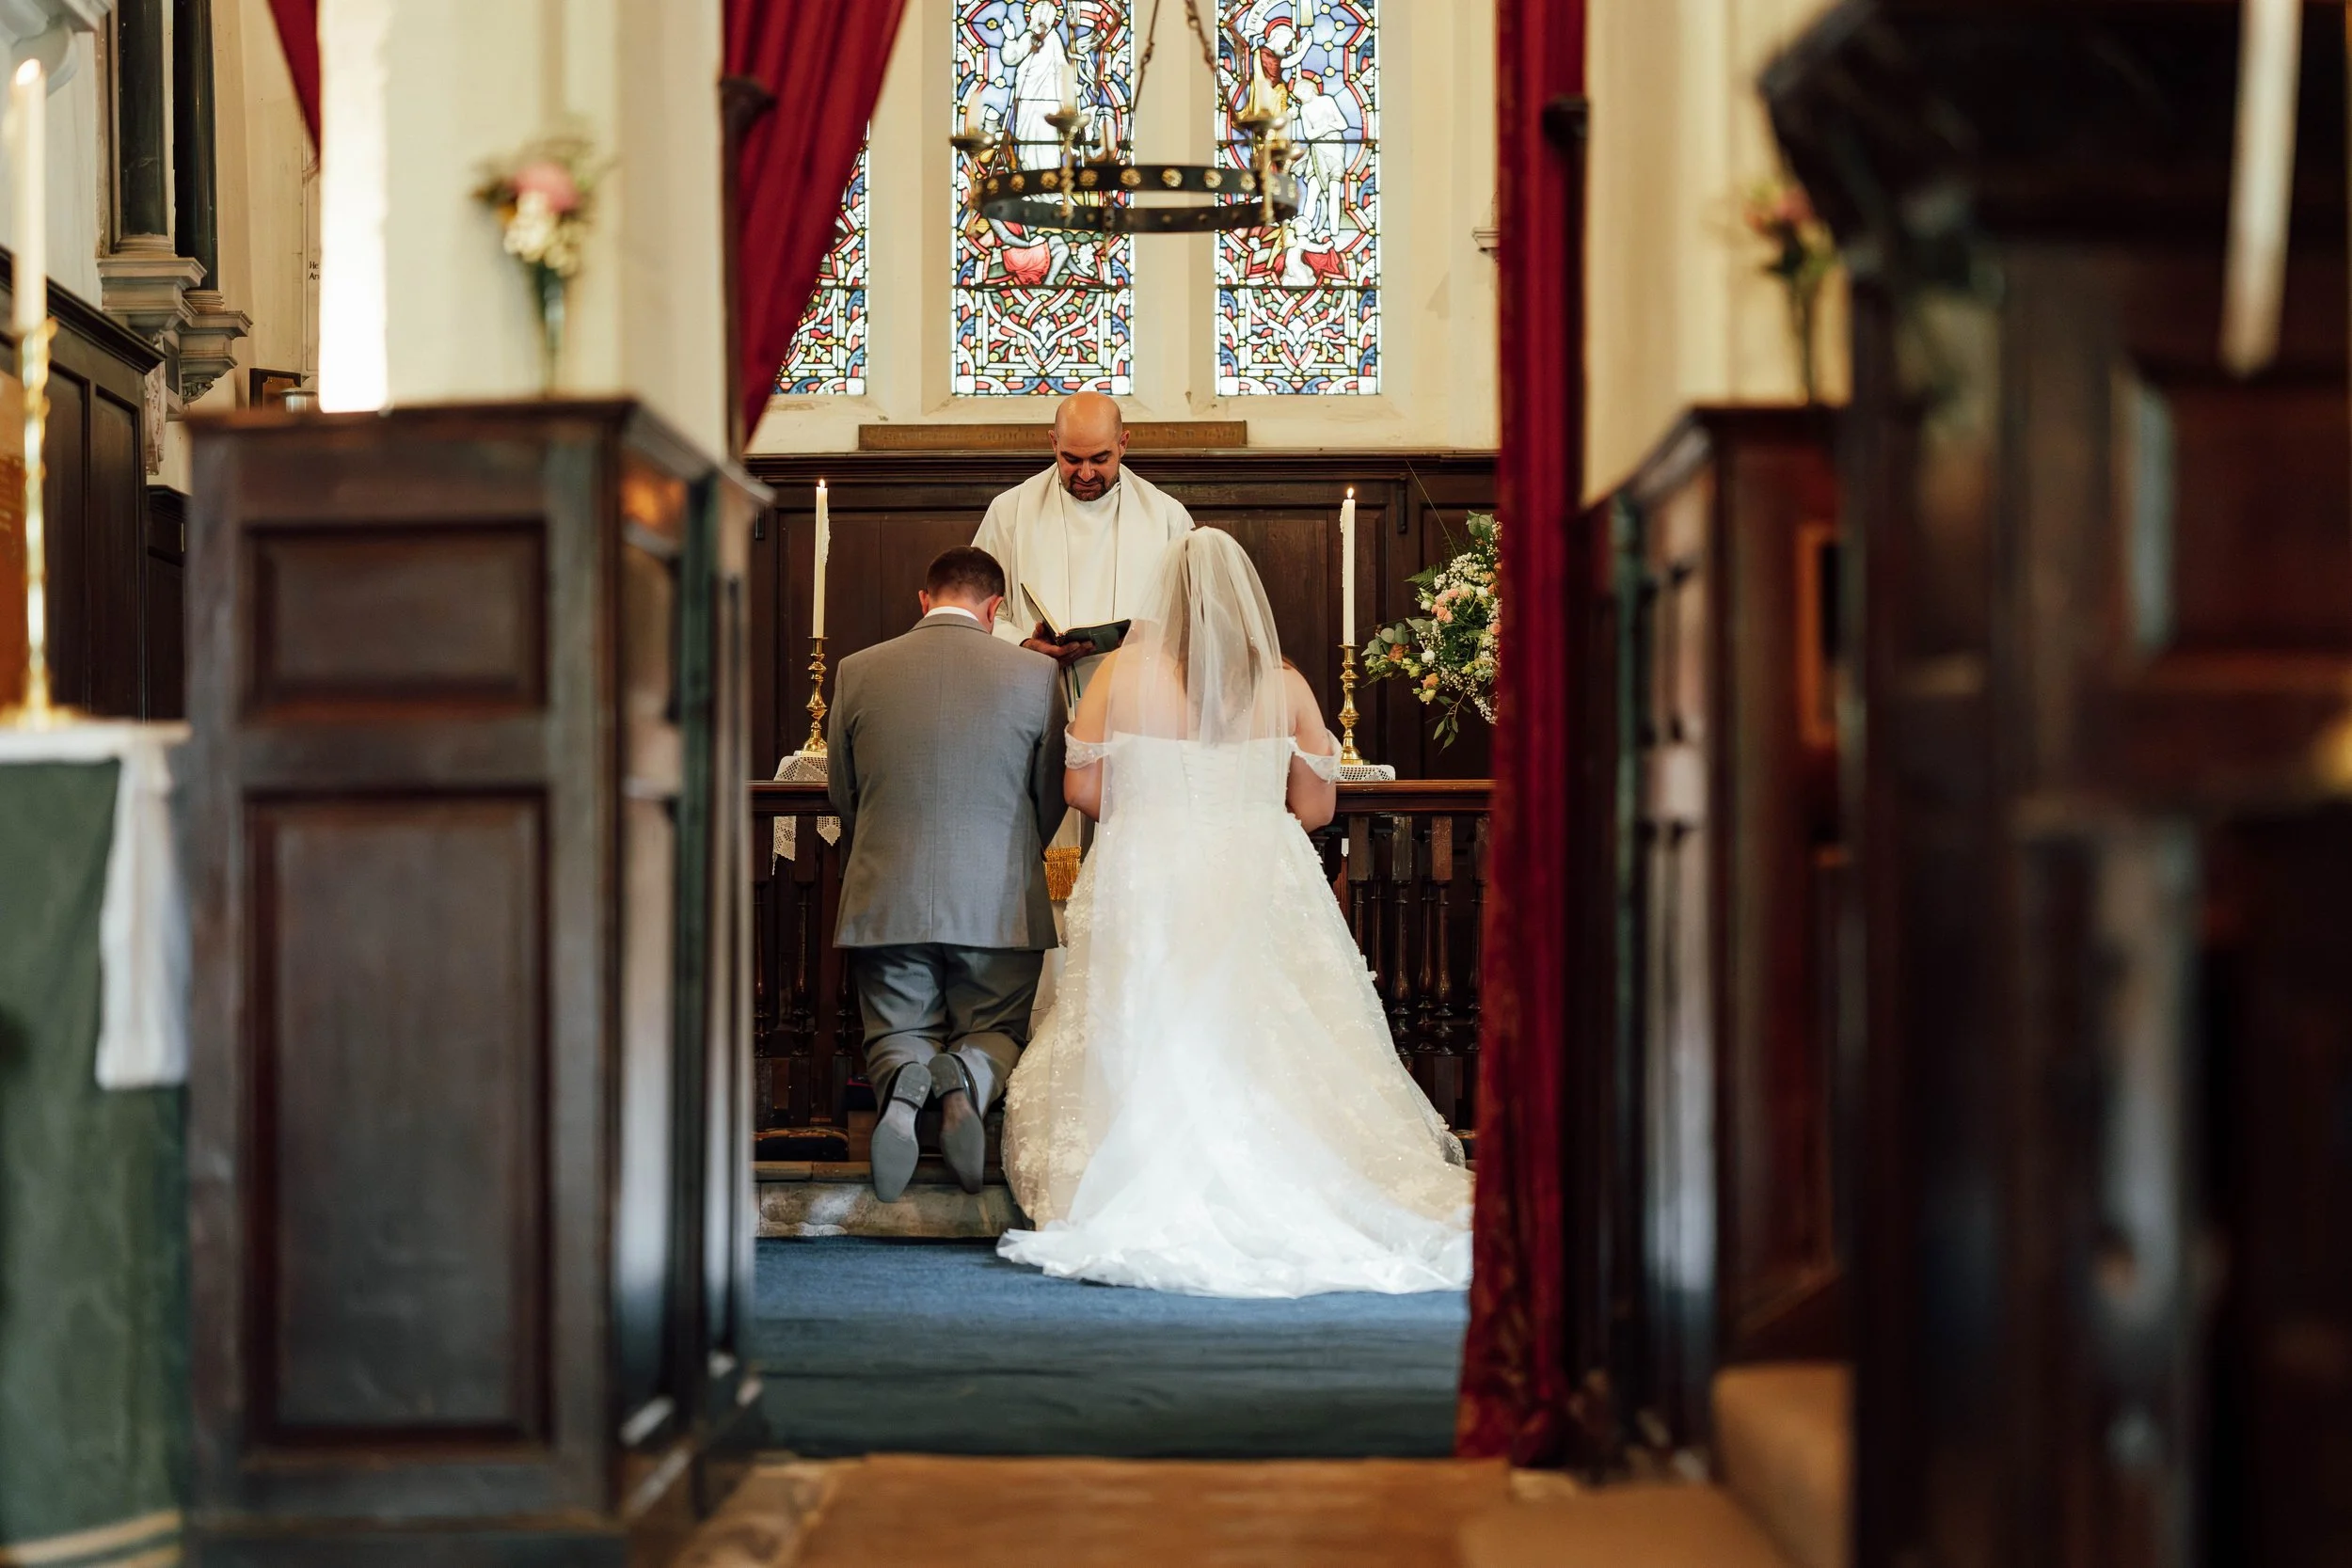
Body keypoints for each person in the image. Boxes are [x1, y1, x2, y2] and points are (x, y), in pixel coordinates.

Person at [995, 531, 1472, 1297]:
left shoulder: (1118, 672)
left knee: (1152, 1017)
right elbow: (1315, 806)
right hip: (1258, 868)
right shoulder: (1282, 683)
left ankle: (1142, 1167)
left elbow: (1082, 791)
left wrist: (1152, 797)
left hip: (1147, 868)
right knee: (1269, 1023)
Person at [826, 546, 1067, 1203]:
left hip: (887, 894)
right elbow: (1050, 797)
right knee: (996, 1028)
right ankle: (965, 1074)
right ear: (994, 610)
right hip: (998, 902)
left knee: (896, 1032)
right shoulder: (1037, 679)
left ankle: (903, 1092)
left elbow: (843, 794)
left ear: (923, 599)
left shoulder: (857, 670)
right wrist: (1013, 851)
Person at [971, 391, 1195, 689]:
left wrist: (1147, 641)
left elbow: (1192, 617)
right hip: (1032, 687)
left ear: (1123, 444)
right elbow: (974, 610)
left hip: (1138, 695)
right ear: (1054, 443)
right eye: (1071, 459)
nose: (1086, 473)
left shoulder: (1167, 517)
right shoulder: (1009, 512)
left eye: (1100, 459)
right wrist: (1023, 644)